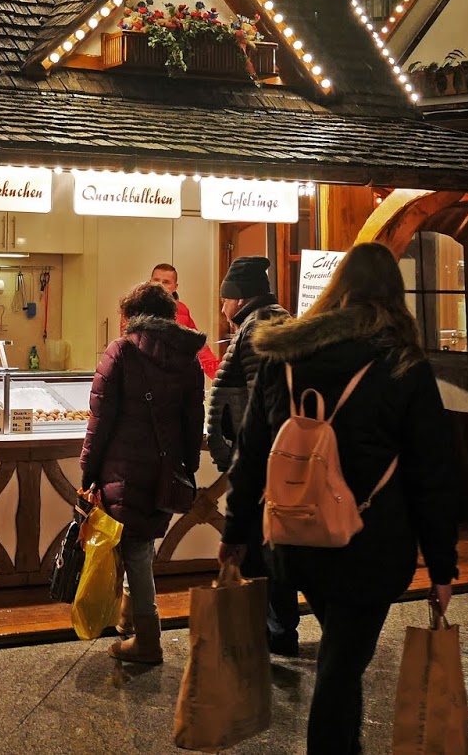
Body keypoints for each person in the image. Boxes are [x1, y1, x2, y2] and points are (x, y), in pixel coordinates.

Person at [219, 242, 457, 755]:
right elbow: (431, 470)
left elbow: (252, 453)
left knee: (342, 661)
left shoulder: (283, 355)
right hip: (369, 544)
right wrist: (442, 566)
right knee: (340, 667)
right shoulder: (402, 363)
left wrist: (236, 533)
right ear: (394, 295)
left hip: (294, 540)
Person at [80, 281, 206, 664]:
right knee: (141, 544)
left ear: (130, 317)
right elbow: (192, 419)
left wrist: (87, 471)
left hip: (124, 467)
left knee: (134, 549)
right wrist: (187, 467)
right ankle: (128, 620)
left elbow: (99, 420)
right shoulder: (188, 358)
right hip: (166, 469)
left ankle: (148, 640)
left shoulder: (121, 351)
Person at [203, 255, 299, 655]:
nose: (222, 307)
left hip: (263, 459)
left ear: (237, 298)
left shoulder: (258, 328)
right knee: (272, 546)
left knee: (264, 551)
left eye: (224, 299)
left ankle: (276, 633)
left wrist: (251, 454)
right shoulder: (276, 320)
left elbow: (265, 400)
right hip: (274, 458)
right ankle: (278, 629)